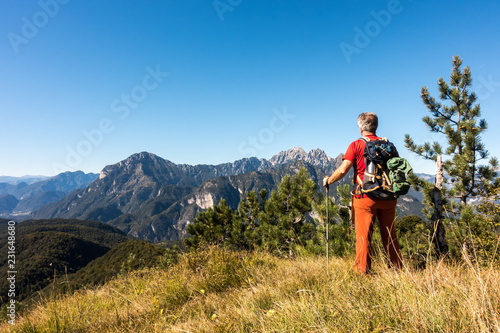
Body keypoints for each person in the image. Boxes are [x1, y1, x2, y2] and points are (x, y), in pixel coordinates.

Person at [323, 112, 402, 274]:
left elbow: (343, 170)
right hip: (388, 196)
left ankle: (363, 274)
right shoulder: (388, 145)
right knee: (390, 235)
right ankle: (398, 271)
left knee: (364, 237)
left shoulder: (356, 145)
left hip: (365, 196)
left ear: (360, 128)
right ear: (376, 126)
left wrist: (328, 180)